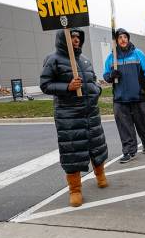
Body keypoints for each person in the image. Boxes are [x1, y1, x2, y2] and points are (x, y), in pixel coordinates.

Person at [40, 28, 109, 207]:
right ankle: (75, 190)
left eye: (78, 36)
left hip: (90, 112)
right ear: (64, 38)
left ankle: (100, 175)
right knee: (72, 153)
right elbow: (45, 85)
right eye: (72, 36)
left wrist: (96, 90)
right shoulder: (53, 59)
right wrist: (67, 87)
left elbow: (93, 80)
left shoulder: (84, 60)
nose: (76, 39)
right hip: (69, 115)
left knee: (97, 146)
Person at [104, 28, 145, 163]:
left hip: (138, 97)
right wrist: (111, 75)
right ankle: (128, 151)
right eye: (120, 37)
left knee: (142, 124)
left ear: (128, 39)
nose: (123, 39)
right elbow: (105, 75)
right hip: (120, 99)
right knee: (124, 127)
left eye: (125, 37)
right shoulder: (112, 58)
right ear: (116, 40)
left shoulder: (138, 54)